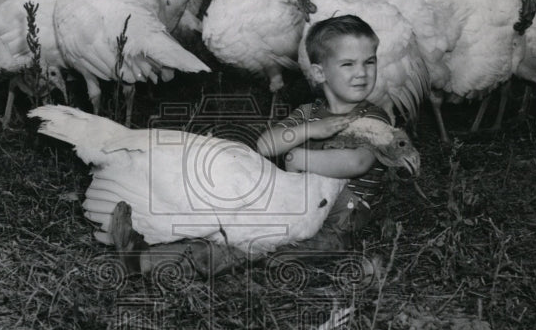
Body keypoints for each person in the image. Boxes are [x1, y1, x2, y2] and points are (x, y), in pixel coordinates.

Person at [110, 14, 391, 280]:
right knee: (234, 229)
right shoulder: (309, 113)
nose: (361, 73)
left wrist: (299, 158)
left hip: (342, 216)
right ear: (319, 73)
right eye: (348, 64)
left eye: (369, 62)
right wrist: (311, 129)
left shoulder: (372, 118)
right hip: (295, 204)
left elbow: (357, 163)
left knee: (277, 247)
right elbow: (266, 145)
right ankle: (143, 257)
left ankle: (272, 258)